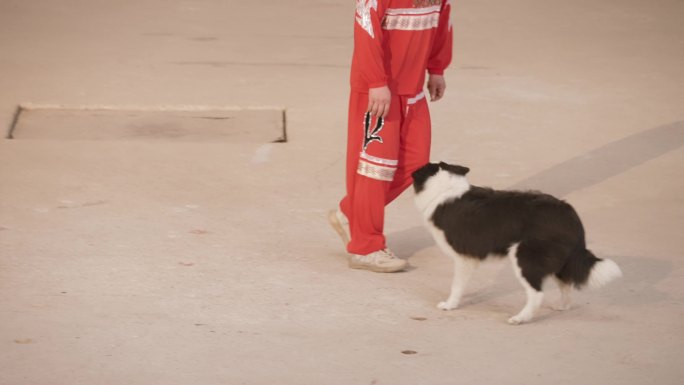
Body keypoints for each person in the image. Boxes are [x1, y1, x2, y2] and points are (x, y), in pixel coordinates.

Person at [329, 0, 453, 272]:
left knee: (417, 164)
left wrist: (437, 68)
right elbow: (366, 30)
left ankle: (352, 213)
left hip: (413, 89)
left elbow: (442, 23)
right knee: (375, 171)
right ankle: (366, 248)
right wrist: (376, 82)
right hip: (379, 91)